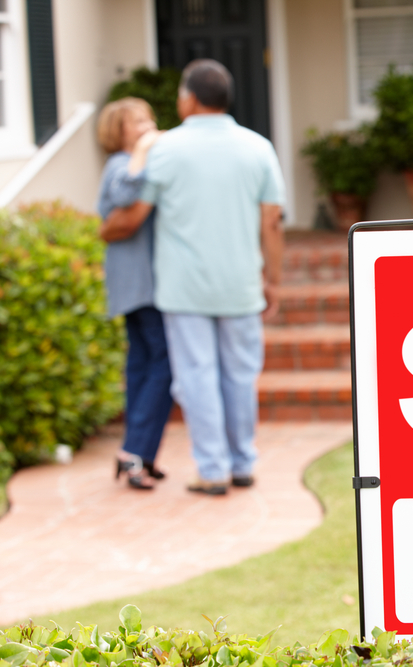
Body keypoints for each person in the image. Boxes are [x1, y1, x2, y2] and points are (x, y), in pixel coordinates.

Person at [101, 59, 285, 496]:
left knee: (197, 376)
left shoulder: (167, 149)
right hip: (241, 283)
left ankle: (213, 470)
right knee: (240, 375)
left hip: (183, 289)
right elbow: (273, 221)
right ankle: (243, 462)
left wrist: (106, 227)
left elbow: (134, 215)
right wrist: (272, 278)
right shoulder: (258, 147)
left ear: (189, 98)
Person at [95, 97, 172, 491]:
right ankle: (135, 453)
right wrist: (142, 151)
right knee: (163, 364)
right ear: (117, 131)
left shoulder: (138, 165)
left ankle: (140, 454)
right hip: (140, 286)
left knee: (143, 366)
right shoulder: (120, 165)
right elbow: (124, 198)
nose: (145, 126)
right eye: (134, 122)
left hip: (144, 284)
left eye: (147, 119)